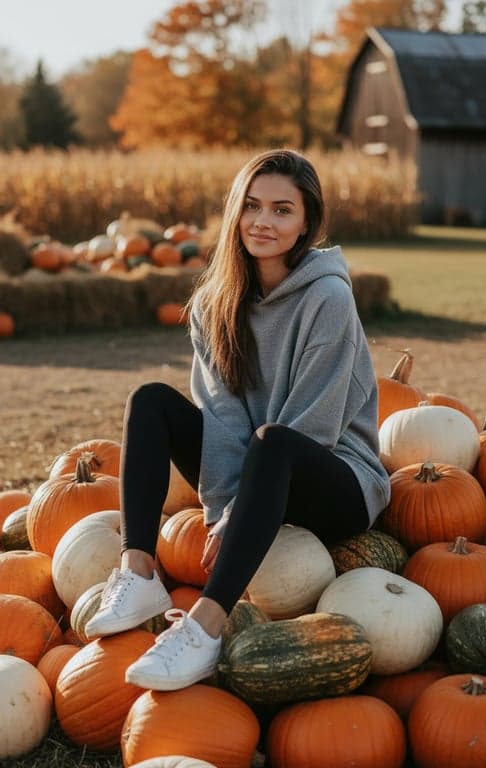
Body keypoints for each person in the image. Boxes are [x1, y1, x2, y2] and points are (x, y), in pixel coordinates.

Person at [85, 148, 391, 691]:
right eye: (252, 206)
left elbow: (313, 425)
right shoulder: (214, 301)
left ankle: (204, 629)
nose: (263, 222)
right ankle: (138, 571)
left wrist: (230, 519)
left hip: (336, 481)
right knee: (151, 399)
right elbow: (222, 416)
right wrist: (225, 508)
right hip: (260, 472)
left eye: (281, 210)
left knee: (275, 441)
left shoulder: (328, 297)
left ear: (306, 224)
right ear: (235, 212)